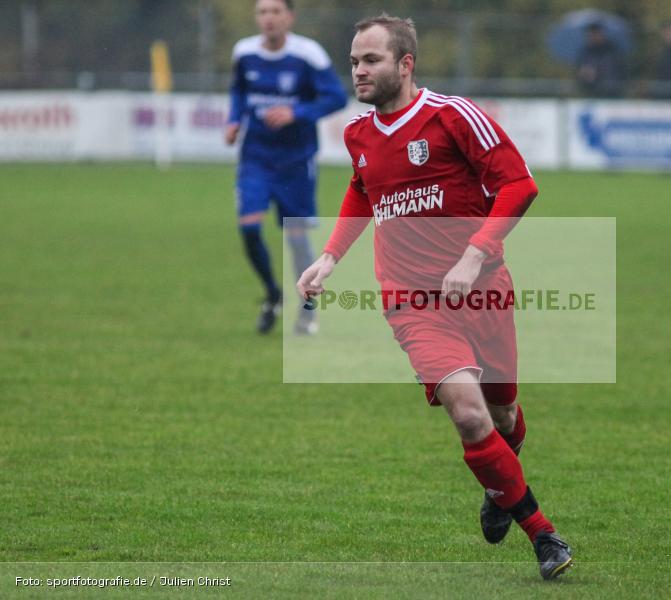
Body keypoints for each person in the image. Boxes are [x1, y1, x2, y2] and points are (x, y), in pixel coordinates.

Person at [297, 15, 573, 580]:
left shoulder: (453, 116)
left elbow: (520, 184)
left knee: (503, 413)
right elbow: (362, 189)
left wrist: (475, 252)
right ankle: (543, 535)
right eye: (353, 61)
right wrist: (329, 255)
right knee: (470, 416)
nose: (359, 71)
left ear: (405, 64)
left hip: (483, 290)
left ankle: (501, 487)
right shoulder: (357, 134)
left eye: (370, 60)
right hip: (412, 302)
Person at [226, 0, 347, 334]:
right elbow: (238, 90)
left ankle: (307, 311)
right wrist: (234, 120)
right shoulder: (245, 52)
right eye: (262, 12)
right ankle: (272, 293)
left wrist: (298, 114)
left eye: (275, 11)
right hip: (256, 159)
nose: (269, 18)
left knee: (297, 241)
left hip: (296, 161)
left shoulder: (308, 54)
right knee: (249, 228)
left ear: (289, 17)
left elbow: (336, 96)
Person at [575, 23, 626, 97]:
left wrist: (598, 72)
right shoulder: (585, 52)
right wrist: (584, 73)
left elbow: (617, 70)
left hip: (612, 91)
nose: (593, 36)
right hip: (591, 92)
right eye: (591, 34)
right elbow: (579, 69)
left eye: (596, 33)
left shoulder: (612, 50)